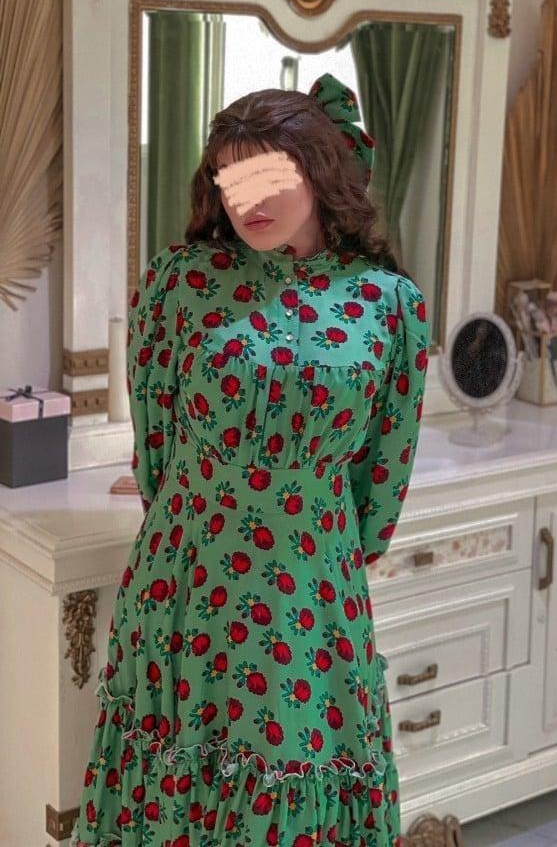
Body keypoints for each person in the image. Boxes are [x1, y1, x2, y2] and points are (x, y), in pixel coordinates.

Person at [69, 73, 431, 847]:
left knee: (299, 766)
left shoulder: (388, 304)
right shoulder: (178, 284)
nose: (245, 200)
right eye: (228, 178)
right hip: (186, 578)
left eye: (266, 174)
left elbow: (383, 474)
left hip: (312, 588)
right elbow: (156, 443)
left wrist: (313, 543)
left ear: (320, 172)